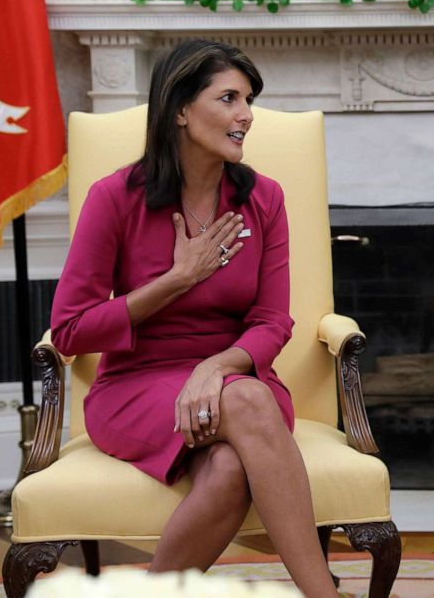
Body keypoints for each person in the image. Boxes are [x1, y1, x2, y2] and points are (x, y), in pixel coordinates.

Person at [50, 39, 339, 597]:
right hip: (136, 387)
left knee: (232, 466)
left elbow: (273, 321)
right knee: (248, 402)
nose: (245, 116)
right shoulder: (115, 198)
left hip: (236, 375)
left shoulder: (264, 199)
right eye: (228, 98)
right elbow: (69, 331)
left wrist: (216, 366)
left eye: (248, 100)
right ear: (180, 110)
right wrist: (178, 278)